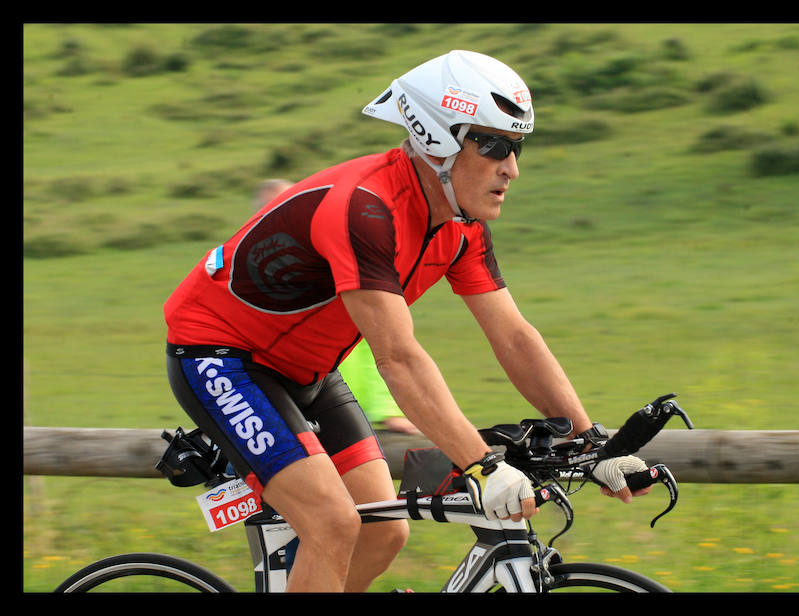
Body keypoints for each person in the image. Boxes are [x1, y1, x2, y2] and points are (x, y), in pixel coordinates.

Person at [164, 49, 650, 593]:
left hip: (310, 372)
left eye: (517, 148)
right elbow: (398, 358)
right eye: (493, 145)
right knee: (332, 523)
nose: (511, 168)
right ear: (439, 139)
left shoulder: (459, 226)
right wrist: (481, 467)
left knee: (384, 529)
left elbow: (513, 336)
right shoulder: (366, 210)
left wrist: (592, 441)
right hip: (222, 359)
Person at [253, 180, 421, 436]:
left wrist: (388, 411)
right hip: (276, 415)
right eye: (273, 211)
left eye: (290, 206)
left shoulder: (333, 265)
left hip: (343, 412)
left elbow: (375, 338)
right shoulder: (247, 279)